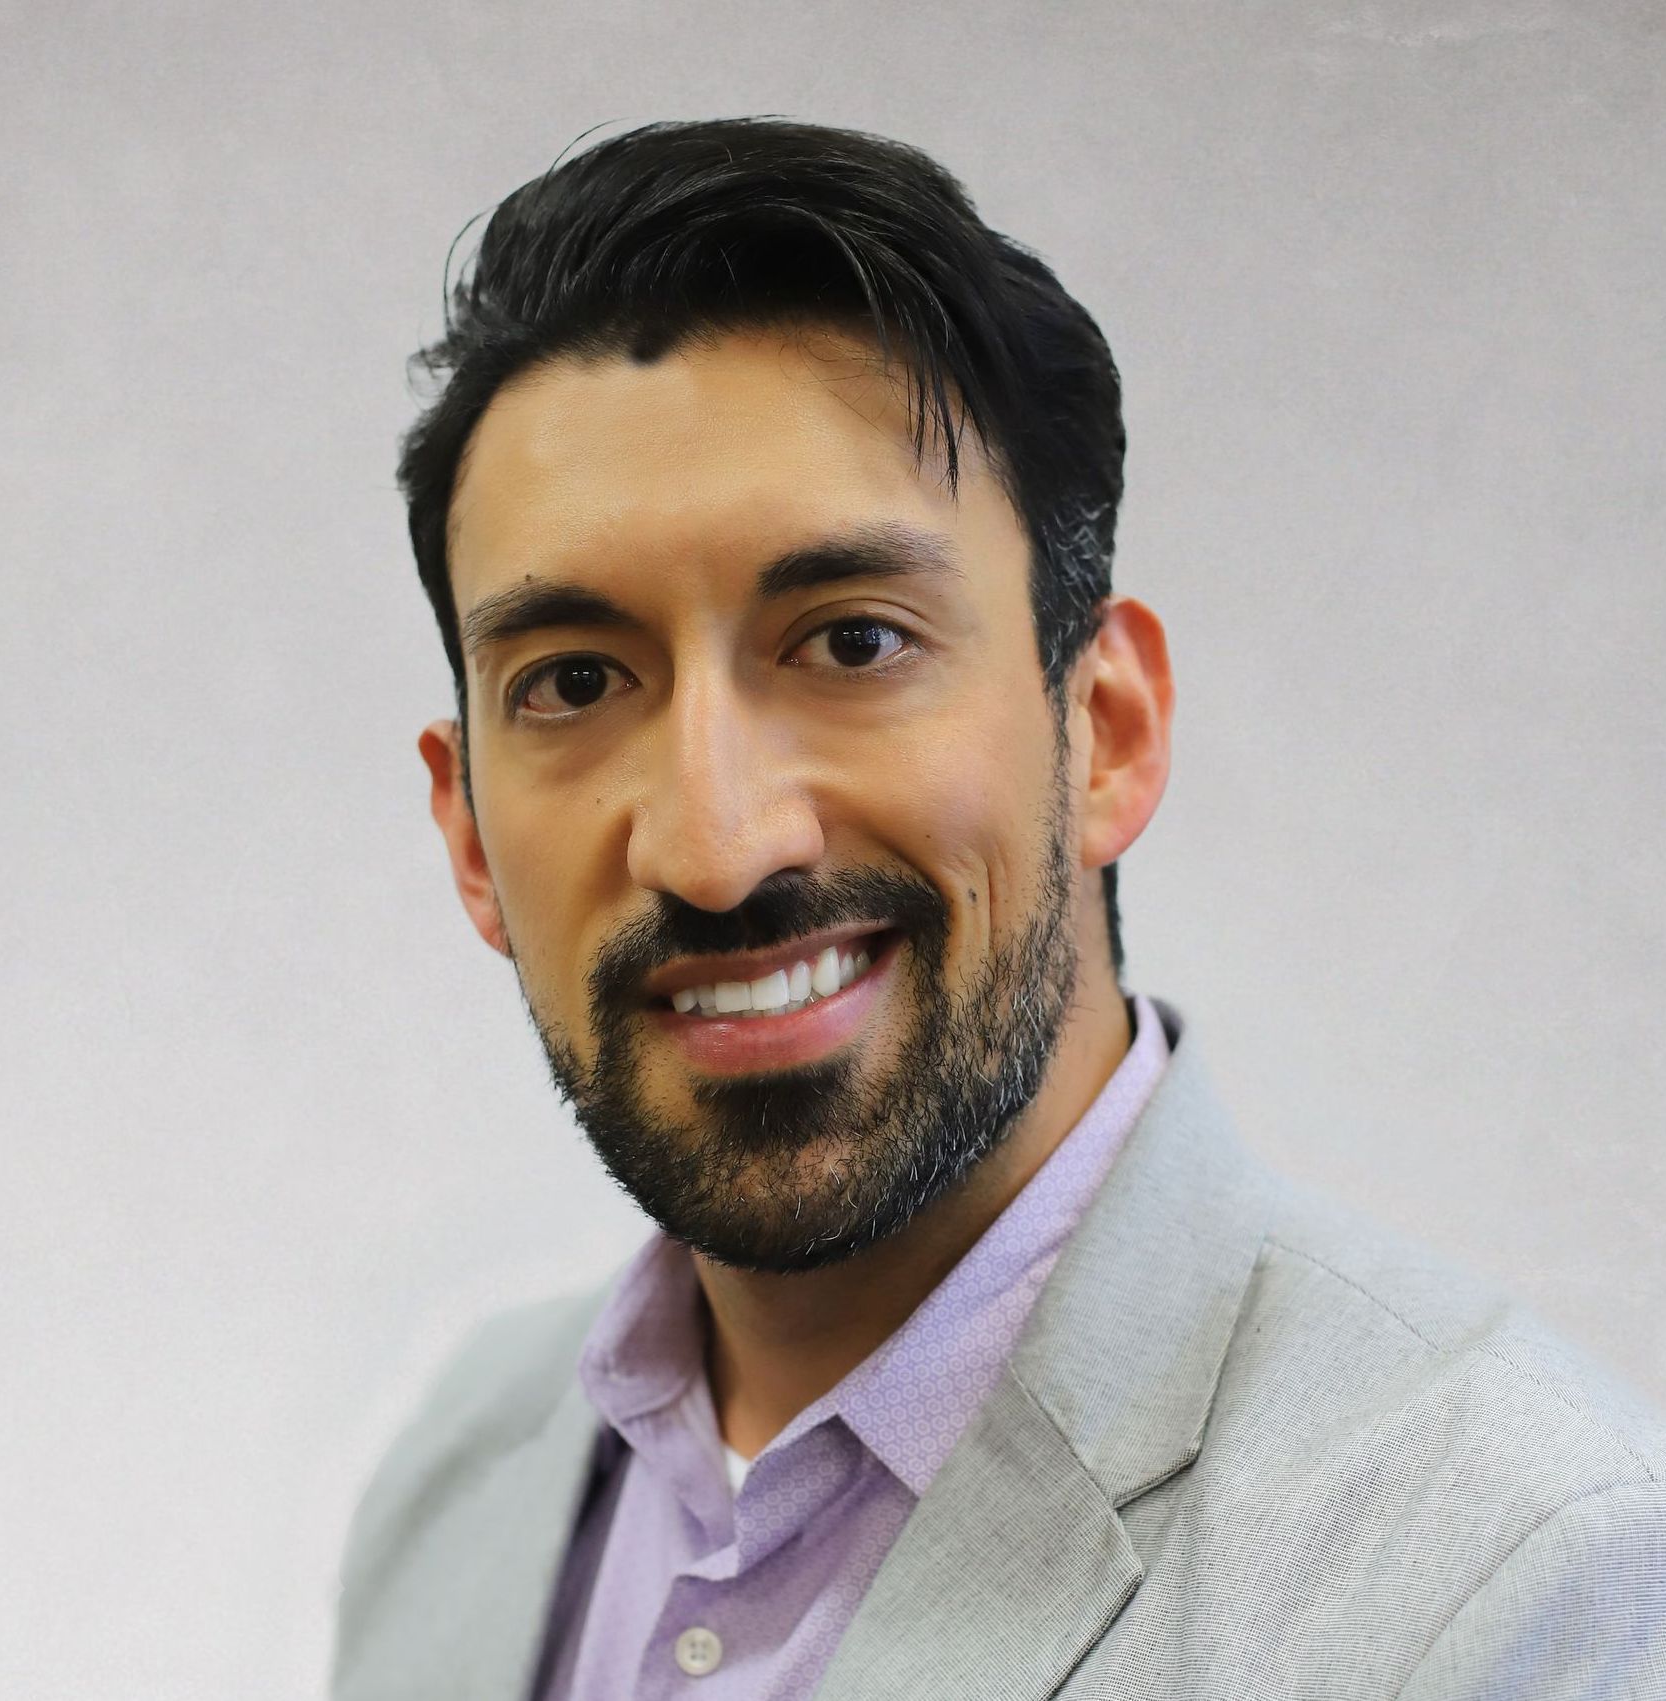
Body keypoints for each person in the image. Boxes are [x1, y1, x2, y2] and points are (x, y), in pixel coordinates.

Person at [331, 117, 1666, 1700]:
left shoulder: (1511, 1572)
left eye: (849, 642)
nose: (713, 842)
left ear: (1105, 731)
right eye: (571, 681)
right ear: (469, 831)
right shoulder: (458, 1480)